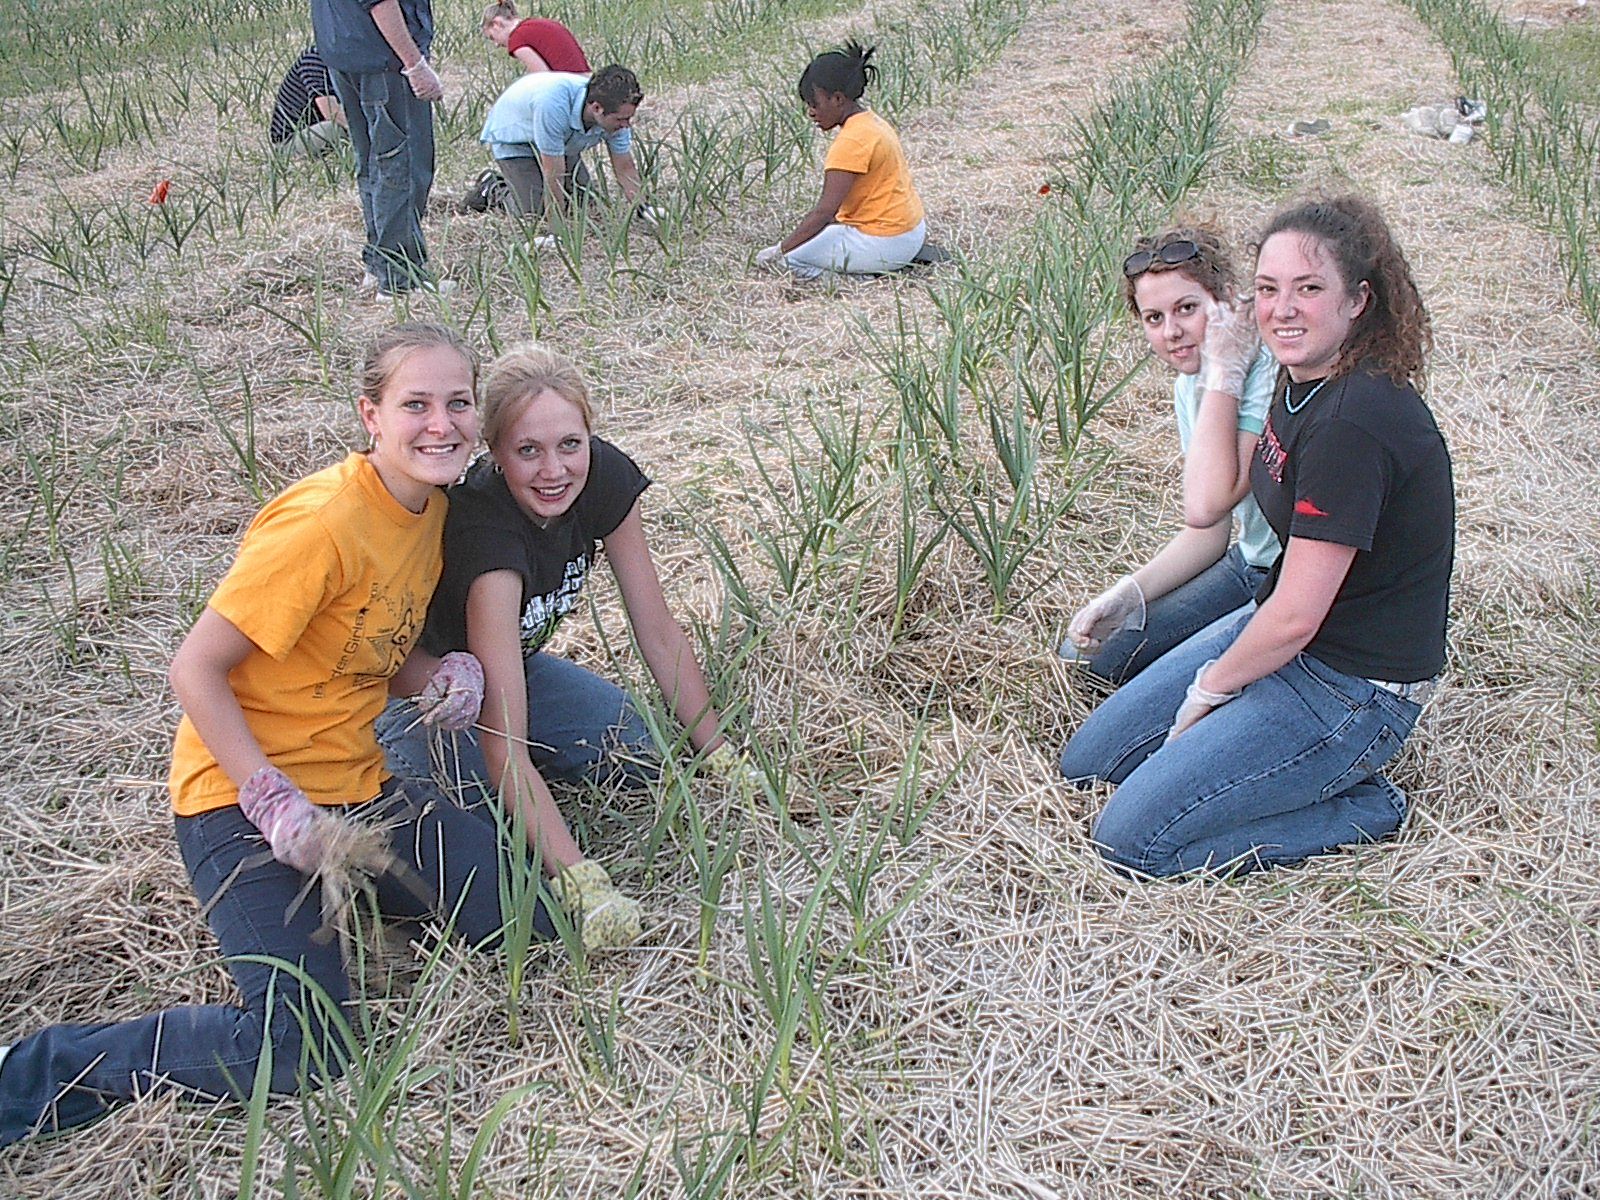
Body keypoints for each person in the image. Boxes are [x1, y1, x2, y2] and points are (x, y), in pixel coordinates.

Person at [0, 324, 556, 1147]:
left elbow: (365, 643)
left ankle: (355, 895)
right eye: (415, 405)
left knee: (529, 920)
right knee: (305, 1049)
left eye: (458, 403)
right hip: (242, 804)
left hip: (359, 791)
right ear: (370, 415)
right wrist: (271, 800)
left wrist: (440, 672)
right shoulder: (323, 522)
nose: (441, 424)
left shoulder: (431, 511)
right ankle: (31, 1073)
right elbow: (195, 669)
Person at [1058, 195, 1455, 879]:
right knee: (1087, 767)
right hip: (1279, 626)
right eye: (1269, 289)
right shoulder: (1295, 383)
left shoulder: (1350, 424)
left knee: (1131, 843)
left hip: (1351, 686)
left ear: (1359, 300)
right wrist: (1136, 599)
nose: (1283, 308)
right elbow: (1223, 532)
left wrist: (1211, 688)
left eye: (1309, 288)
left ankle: (1364, 806)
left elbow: (1297, 618)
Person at [377, 344, 759, 949]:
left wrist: (718, 753)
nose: (553, 470)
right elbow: (502, 739)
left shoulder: (602, 478)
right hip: (430, 699)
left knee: (634, 751)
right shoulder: (488, 538)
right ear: (496, 454)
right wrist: (581, 878)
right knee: (489, 834)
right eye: (528, 451)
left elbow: (656, 629)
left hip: (513, 668)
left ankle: (541, 789)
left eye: (570, 445)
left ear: (589, 435)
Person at [1063, 225, 1279, 684]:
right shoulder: (1190, 385)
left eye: (1187, 309)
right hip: (1249, 560)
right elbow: (1208, 533)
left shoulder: (1263, 368)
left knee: (1171, 680)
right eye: (1153, 318)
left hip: (1289, 582)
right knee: (1090, 659)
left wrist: (1225, 371)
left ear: (1228, 301)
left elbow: (1213, 501)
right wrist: (1128, 594)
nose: (1172, 332)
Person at [312, 0, 449, 298]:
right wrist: (414, 64)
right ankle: (401, 279)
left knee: (372, 163)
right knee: (402, 165)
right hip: (385, 60)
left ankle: (379, 264)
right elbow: (381, 3)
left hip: (345, 52)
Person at [756, 42, 926, 279]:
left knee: (787, 262)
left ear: (837, 99)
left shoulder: (850, 142)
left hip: (886, 242)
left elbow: (825, 213)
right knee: (820, 238)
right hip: (912, 232)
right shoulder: (872, 123)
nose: (811, 112)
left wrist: (779, 249)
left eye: (815, 104)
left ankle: (859, 277)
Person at [477, 66, 652, 225]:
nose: (626, 125)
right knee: (535, 214)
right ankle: (493, 187)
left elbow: (625, 168)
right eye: (621, 119)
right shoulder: (553, 105)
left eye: (628, 118)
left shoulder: (616, 113)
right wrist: (557, 229)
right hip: (517, 141)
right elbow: (554, 173)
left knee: (585, 205)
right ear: (597, 108)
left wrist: (644, 210)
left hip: (562, 142)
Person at [270, 46, 348, 158]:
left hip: (315, 128)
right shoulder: (314, 58)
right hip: (291, 141)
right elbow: (330, 112)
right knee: (334, 129)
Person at [480, 1, 589, 74]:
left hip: (572, 89)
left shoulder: (517, 39)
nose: (497, 44)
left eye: (492, 37)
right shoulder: (538, 23)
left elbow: (543, 78)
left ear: (497, 24)